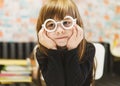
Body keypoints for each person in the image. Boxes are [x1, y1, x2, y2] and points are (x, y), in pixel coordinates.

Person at [34, 0, 96, 86]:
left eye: (66, 23)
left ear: (77, 24)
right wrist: (53, 51)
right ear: (42, 30)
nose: (59, 31)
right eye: (51, 25)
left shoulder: (88, 49)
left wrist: (72, 49)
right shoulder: (42, 52)